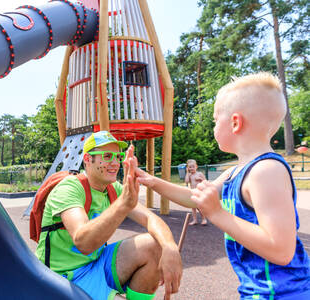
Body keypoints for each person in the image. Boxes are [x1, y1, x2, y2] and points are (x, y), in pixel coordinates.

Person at [135, 72, 310, 299]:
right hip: (258, 290)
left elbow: (282, 250)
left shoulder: (266, 171)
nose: (214, 126)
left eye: (216, 120)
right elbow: (193, 198)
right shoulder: (235, 172)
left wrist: (217, 213)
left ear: (235, 122)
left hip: (284, 293)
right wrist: (151, 181)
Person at [35, 131, 182, 300]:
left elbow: (151, 219)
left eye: (118, 157)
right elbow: (84, 243)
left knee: (155, 244)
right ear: (88, 160)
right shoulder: (68, 188)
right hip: (63, 276)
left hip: (96, 264)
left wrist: (170, 248)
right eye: (106, 156)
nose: (115, 163)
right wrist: (123, 204)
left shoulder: (114, 189)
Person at [184, 159, 207, 225]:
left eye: (193, 166)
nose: (191, 168)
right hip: (193, 192)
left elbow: (205, 182)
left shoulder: (199, 174)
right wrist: (187, 173)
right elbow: (186, 181)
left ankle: (204, 219)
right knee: (193, 207)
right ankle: (195, 220)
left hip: (200, 192)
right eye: (190, 167)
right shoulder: (190, 175)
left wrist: (201, 179)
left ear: (196, 166)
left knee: (200, 207)